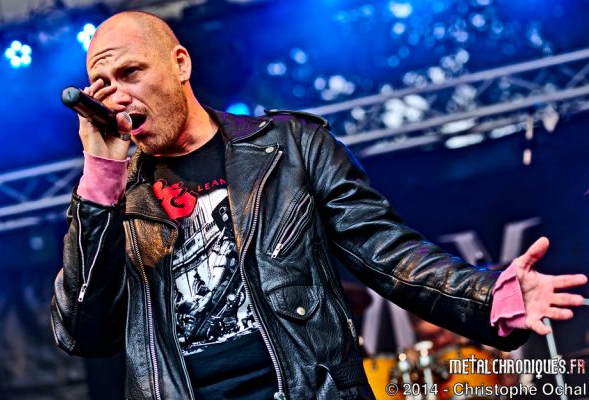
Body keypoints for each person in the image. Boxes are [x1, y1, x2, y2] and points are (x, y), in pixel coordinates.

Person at [51, 10, 587, 400]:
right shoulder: (113, 197)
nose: (116, 94)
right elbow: (82, 331)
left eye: (131, 73)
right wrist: (101, 175)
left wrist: (488, 295)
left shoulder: (291, 147)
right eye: (102, 84)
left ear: (180, 65)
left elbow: (383, 249)